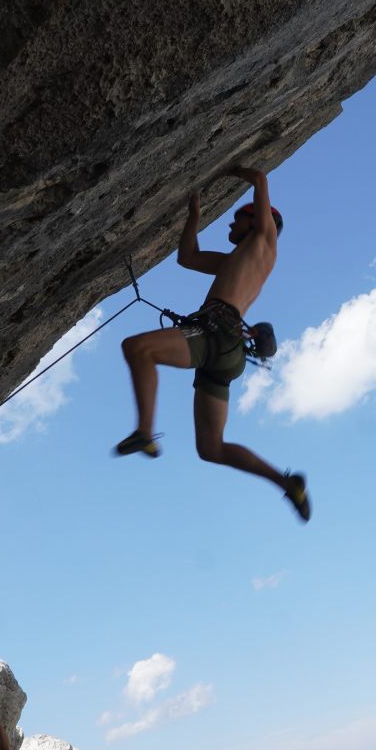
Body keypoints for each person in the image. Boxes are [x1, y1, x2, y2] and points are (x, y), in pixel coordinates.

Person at [117, 163, 311, 521]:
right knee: (211, 448)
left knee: (138, 348)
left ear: (257, 220)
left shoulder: (263, 242)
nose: (230, 224)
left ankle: (145, 431)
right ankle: (287, 484)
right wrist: (194, 214)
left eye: (238, 218)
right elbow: (187, 257)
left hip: (215, 332)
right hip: (226, 351)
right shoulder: (235, 260)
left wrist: (221, 168)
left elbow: (259, 179)